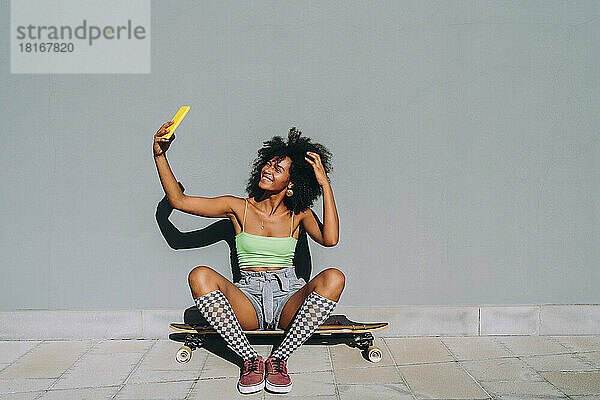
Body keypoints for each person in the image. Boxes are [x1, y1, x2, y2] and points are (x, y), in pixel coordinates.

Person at [153, 124, 345, 394]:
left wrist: (325, 184)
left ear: (291, 183)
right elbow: (179, 200)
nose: (268, 170)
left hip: (287, 296)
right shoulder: (238, 207)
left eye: (278, 169)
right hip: (249, 299)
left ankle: (279, 359)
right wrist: (160, 155)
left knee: (334, 277)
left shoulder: (299, 214)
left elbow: (330, 238)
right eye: (268, 164)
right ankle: (250, 359)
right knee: (200, 274)